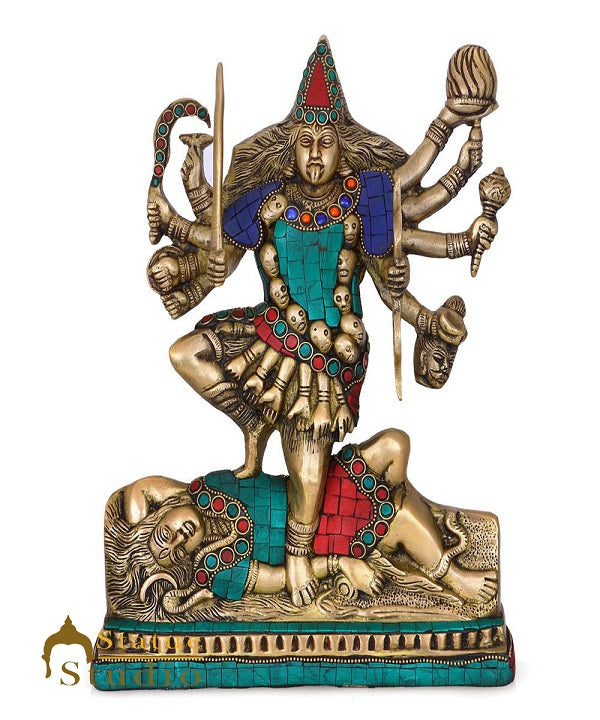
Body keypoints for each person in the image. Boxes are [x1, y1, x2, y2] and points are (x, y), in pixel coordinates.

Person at [145, 37, 496, 606]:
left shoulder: (362, 199)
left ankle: (299, 557)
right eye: (305, 141)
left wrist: (450, 125)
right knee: (185, 353)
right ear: (290, 147)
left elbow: (412, 191)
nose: (314, 153)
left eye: (326, 142)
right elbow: (217, 244)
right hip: (268, 335)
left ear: (342, 147)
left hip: (327, 358)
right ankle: (255, 421)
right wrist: (180, 218)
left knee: (309, 474)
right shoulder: (268, 200)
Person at [104, 429, 497, 619]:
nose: (180, 539)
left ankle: (407, 520)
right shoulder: (220, 571)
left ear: (162, 512)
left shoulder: (199, 491)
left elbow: (138, 491)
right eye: (177, 553)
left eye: (165, 533)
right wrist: (342, 564)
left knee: (396, 443)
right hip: (324, 537)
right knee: (403, 515)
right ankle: (452, 575)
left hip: (315, 484)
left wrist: (137, 527)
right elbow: (281, 579)